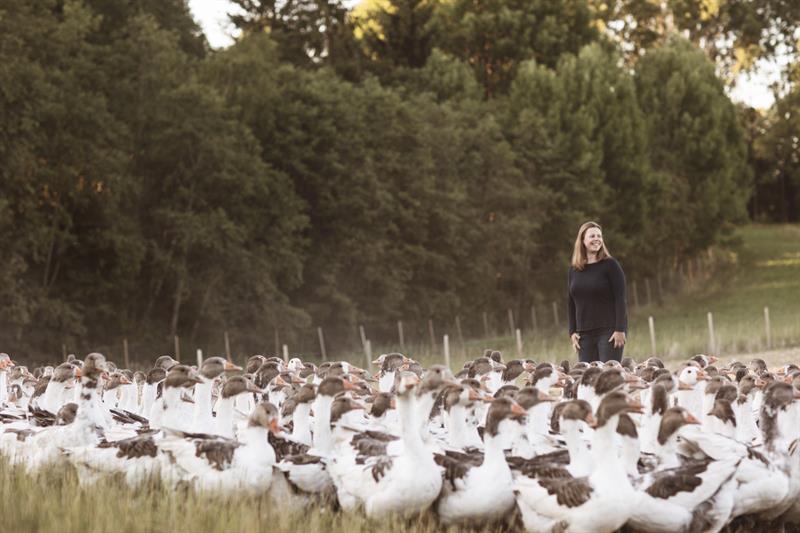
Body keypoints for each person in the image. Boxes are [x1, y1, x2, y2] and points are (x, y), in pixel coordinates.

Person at [567, 221, 627, 363]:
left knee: (608, 376)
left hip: (609, 331)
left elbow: (620, 298)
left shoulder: (611, 265)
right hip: (584, 334)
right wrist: (572, 331)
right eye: (592, 236)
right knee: (588, 378)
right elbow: (571, 302)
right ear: (582, 240)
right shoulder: (574, 270)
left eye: (599, 236)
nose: (597, 239)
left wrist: (620, 329)